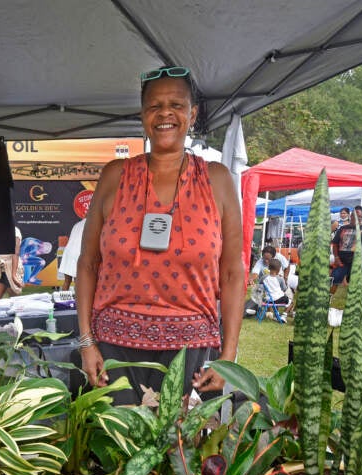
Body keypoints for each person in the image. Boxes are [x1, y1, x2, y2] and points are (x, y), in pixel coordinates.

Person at [76, 65, 244, 403]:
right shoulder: (114, 176)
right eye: (154, 106)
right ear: (142, 115)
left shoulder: (218, 180)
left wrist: (227, 357)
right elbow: (88, 263)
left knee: (185, 452)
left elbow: (232, 273)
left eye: (176, 105)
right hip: (113, 354)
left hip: (192, 355)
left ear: (192, 114)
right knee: (117, 453)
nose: (165, 113)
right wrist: (86, 342)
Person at [330, 205, 362, 290]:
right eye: (356, 216)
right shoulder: (343, 228)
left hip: (359, 263)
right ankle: (328, 299)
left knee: (356, 285)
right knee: (333, 280)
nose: (358, 218)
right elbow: (335, 244)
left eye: (360, 217)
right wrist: (336, 257)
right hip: (342, 262)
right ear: (351, 216)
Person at [0, 227, 24, 299]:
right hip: (0, 269)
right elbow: (0, 254)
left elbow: (15, 253)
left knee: (15, 301)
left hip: (12, 268)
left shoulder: (15, 231)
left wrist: (14, 275)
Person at [58, 216, 87, 290]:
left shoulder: (77, 224)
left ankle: (63, 300)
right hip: (77, 253)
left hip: (68, 252)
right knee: (78, 282)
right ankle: (77, 301)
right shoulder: (90, 224)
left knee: (67, 281)